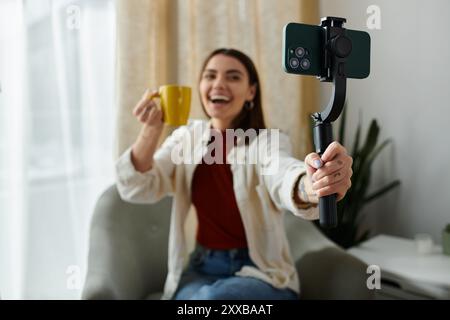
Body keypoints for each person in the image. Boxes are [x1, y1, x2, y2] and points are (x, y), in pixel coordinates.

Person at [115, 48, 353, 300]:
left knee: (210, 301)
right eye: (210, 76)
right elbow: (137, 186)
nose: (219, 84)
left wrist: (312, 184)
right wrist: (151, 130)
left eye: (233, 77)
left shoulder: (267, 142)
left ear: (251, 91)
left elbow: (283, 174)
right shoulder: (186, 138)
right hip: (201, 268)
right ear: (200, 86)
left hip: (261, 272)